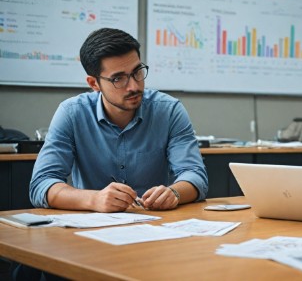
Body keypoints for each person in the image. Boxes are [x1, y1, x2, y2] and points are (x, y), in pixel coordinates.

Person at [29, 28, 209, 212]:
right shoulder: (72, 113)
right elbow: (41, 184)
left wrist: (174, 193)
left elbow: (195, 176)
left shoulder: (169, 111)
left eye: (137, 72)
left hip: (156, 224)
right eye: (118, 79)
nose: (133, 86)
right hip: (91, 227)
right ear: (94, 84)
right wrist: (94, 199)